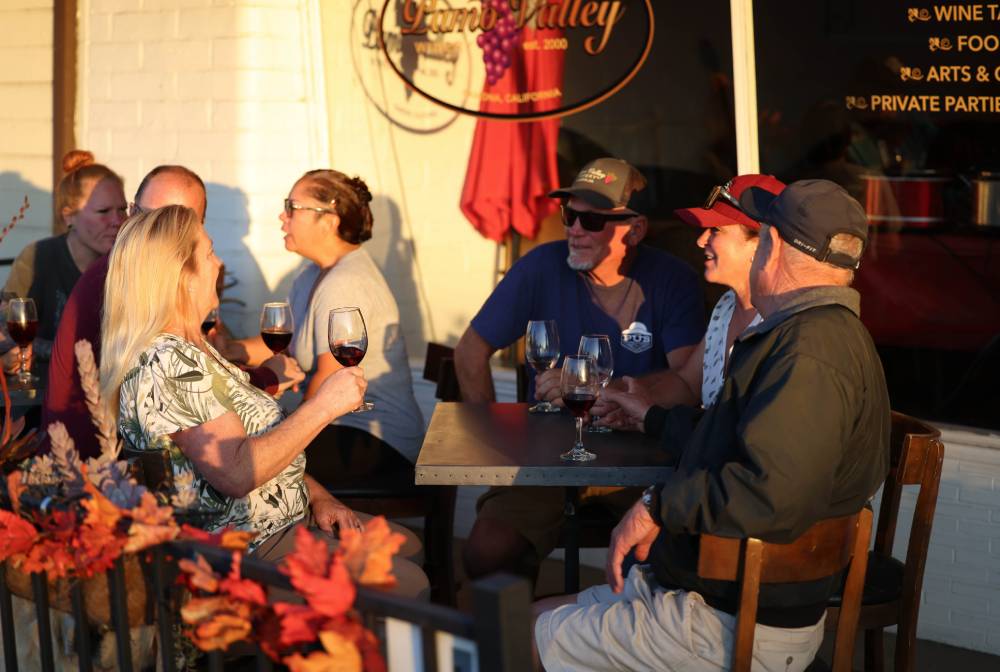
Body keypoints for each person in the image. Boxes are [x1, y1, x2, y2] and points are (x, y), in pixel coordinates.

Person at [532, 179, 890, 672]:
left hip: (732, 622)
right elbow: (744, 442)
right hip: (710, 597)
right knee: (528, 618)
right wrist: (656, 419)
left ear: (773, 246)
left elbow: (772, 494)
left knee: (511, 638)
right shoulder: (806, 335)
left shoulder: (808, 351)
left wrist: (659, 505)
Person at [100, 205, 428, 597]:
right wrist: (323, 407)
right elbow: (237, 473)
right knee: (410, 585)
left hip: (282, 522)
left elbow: (261, 443)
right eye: (208, 253)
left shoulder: (196, 349)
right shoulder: (169, 361)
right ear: (181, 277)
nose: (219, 263)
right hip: (249, 550)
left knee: (409, 547)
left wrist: (319, 497)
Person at [455, 157, 705, 580]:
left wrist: (598, 389)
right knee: (487, 552)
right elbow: (470, 350)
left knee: (663, 558)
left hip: (642, 460)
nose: (573, 229)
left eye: (592, 221)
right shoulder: (541, 265)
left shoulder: (672, 279)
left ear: (636, 229)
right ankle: (518, 642)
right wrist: (494, 443)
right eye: (570, 214)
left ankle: (604, 641)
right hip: (549, 455)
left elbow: (687, 381)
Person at [42, 165, 303, 459]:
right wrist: (265, 379)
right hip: (94, 470)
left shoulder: (162, 277)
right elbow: (181, 381)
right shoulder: (120, 278)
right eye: (151, 217)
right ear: (130, 213)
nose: (159, 233)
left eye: (176, 221)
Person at [217, 169, 424, 486]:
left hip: (373, 440)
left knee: (253, 465)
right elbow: (283, 343)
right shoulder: (313, 275)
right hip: (342, 429)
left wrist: (282, 435)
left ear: (330, 220)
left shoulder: (345, 282)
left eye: (292, 207)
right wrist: (227, 350)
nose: (282, 216)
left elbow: (330, 380)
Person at [600, 174, 786, 430]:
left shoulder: (783, 322)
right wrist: (635, 407)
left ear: (762, 243)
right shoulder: (728, 305)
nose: (700, 240)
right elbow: (688, 383)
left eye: (716, 230)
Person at [3, 150, 127, 357]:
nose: (117, 221)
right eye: (103, 211)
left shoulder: (131, 262)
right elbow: (4, 329)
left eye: (122, 209)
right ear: (69, 216)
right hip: (42, 384)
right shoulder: (36, 257)